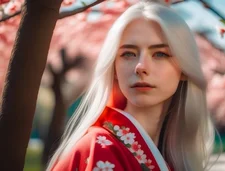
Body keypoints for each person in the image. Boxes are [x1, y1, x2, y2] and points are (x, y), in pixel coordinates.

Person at [46, 0, 215, 171]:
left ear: (184, 69)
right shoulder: (101, 149)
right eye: (128, 54)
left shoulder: (169, 156)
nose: (140, 66)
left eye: (159, 54)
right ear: (114, 67)